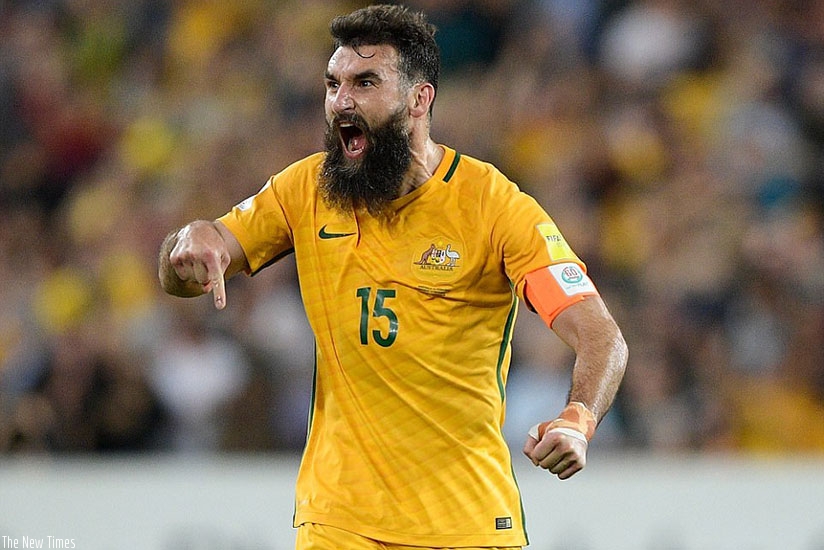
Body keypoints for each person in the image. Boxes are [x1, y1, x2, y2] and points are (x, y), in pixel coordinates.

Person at [158, 4, 627, 549]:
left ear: (418, 99)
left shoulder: (493, 206)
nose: (341, 102)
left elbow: (600, 335)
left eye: (365, 82)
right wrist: (192, 243)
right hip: (338, 521)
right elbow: (195, 261)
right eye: (333, 84)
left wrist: (578, 418)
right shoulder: (305, 190)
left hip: (466, 523)